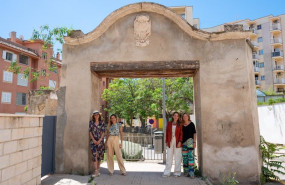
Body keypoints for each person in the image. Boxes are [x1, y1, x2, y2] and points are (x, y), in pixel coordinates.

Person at [163, 112, 183, 177]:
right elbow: (167, 132)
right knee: (169, 157)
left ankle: (177, 173)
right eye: (175, 115)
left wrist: (180, 141)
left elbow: (181, 134)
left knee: (177, 158)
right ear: (173, 116)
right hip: (170, 141)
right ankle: (167, 172)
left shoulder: (180, 124)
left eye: (177, 116)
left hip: (177, 141)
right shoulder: (169, 123)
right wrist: (166, 141)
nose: (176, 117)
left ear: (178, 117)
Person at [89, 110, 105, 177]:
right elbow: (90, 132)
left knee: (99, 156)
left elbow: (103, 132)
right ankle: (96, 171)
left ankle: (98, 170)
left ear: (99, 115)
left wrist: (100, 140)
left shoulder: (102, 123)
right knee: (94, 155)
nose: (96, 116)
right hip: (93, 142)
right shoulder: (91, 123)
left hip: (100, 142)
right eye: (95, 115)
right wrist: (93, 140)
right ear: (93, 116)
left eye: (97, 115)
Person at [182, 113, 196, 178]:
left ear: (188, 117)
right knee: (185, 158)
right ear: (182, 118)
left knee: (191, 157)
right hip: (183, 143)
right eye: (184, 116)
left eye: (186, 116)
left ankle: (191, 173)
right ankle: (186, 172)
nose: (185, 117)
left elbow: (194, 133)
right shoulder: (181, 125)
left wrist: (194, 142)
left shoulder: (192, 124)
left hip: (190, 142)